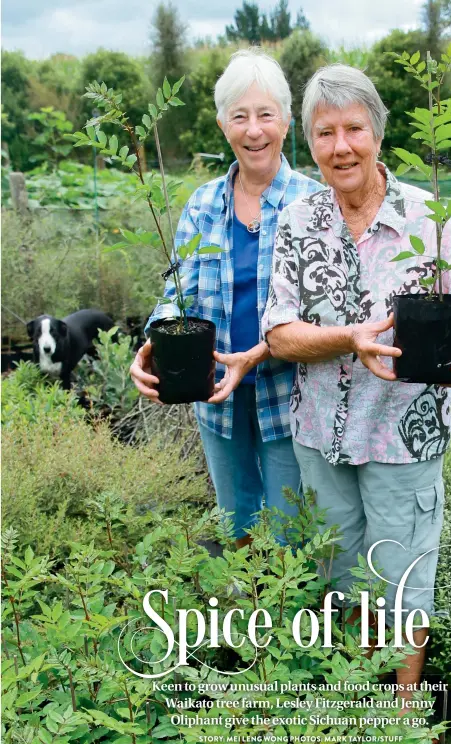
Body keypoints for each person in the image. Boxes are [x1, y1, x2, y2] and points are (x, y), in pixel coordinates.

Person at [262, 64, 451, 686]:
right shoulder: (298, 221)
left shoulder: (428, 218)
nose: (340, 147)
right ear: (308, 143)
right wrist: (348, 338)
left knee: (404, 584)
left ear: (378, 133)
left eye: (353, 129)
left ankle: (401, 731)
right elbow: (279, 333)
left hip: (403, 436)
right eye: (323, 133)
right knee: (342, 583)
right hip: (321, 437)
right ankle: (358, 710)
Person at [130, 49, 323, 548]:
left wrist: (260, 353)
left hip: (288, 395)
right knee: (234, 522)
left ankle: (289, 616)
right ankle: (240, 615)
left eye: (265, 115)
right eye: (240, 116)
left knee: (288, 534)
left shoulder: (313, 204)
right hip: (215, 393)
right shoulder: (202, 203)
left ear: (285, 121)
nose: (253, 130)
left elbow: (324, 311)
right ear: (223, 125)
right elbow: (178, 292)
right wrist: (153, 340)